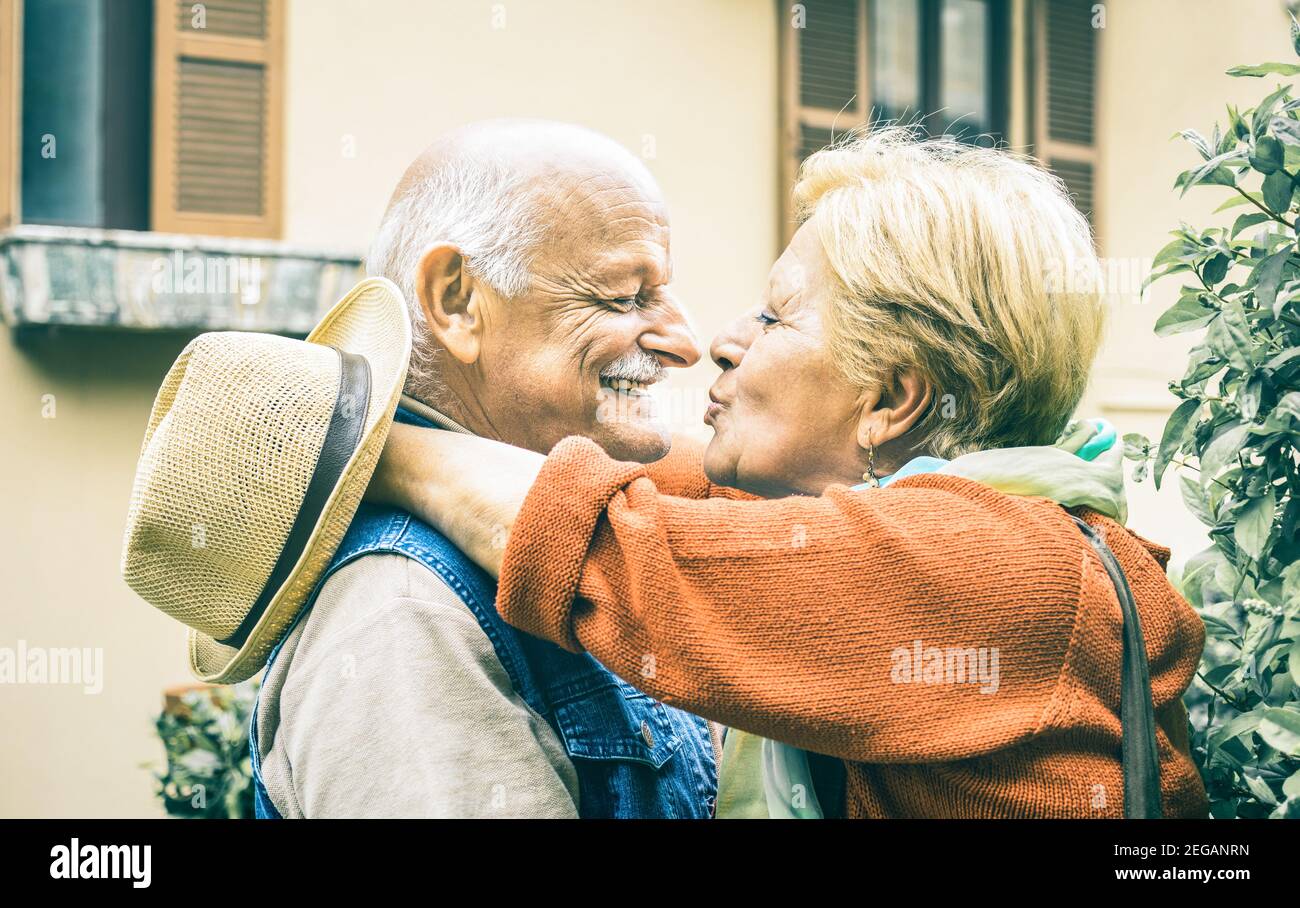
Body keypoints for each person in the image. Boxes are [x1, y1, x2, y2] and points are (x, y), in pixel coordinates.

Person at [368, 127, 1211, 818]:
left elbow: (599, 542)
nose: (720, 341)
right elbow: (649, 478)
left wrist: (368, 442)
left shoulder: (982, 564)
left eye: (774, 316)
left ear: (889, 400)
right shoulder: (903, 519)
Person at [251, 120, 719, 818]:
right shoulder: (404, 615)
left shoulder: (509, 549)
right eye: (624, 296)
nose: (685, 344)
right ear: (458, 301)